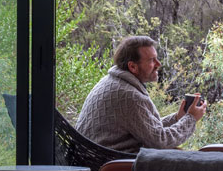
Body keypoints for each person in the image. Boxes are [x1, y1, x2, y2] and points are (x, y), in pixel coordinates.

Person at [76, 36, 207, 153]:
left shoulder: (112, 82)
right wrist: (190, 119)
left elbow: (146, 129)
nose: (158, 64)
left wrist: (177, 118)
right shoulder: (128, 95)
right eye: (152, 60)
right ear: (132, 67)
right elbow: (160, 141)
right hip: (109, 165)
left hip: (94, 159)